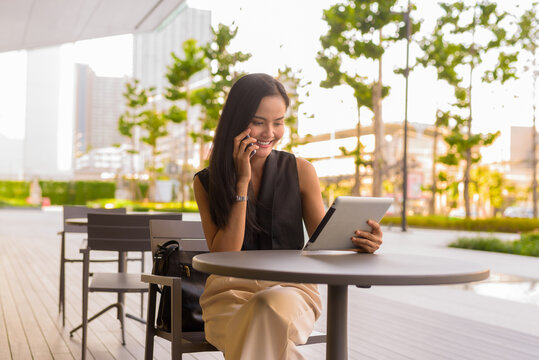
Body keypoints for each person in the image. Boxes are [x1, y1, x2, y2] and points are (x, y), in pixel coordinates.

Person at [193, 73, 383, 359]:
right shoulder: (207, 181)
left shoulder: (301, 171)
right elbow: (224, 255)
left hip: (292, 292)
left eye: (278, 122)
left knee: (266, 307)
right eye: (258, 121)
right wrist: (241, 183)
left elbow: (326, 243)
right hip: (228, 295)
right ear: (237, 120)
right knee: (263, 324)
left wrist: (363, 242)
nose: (270, 132)